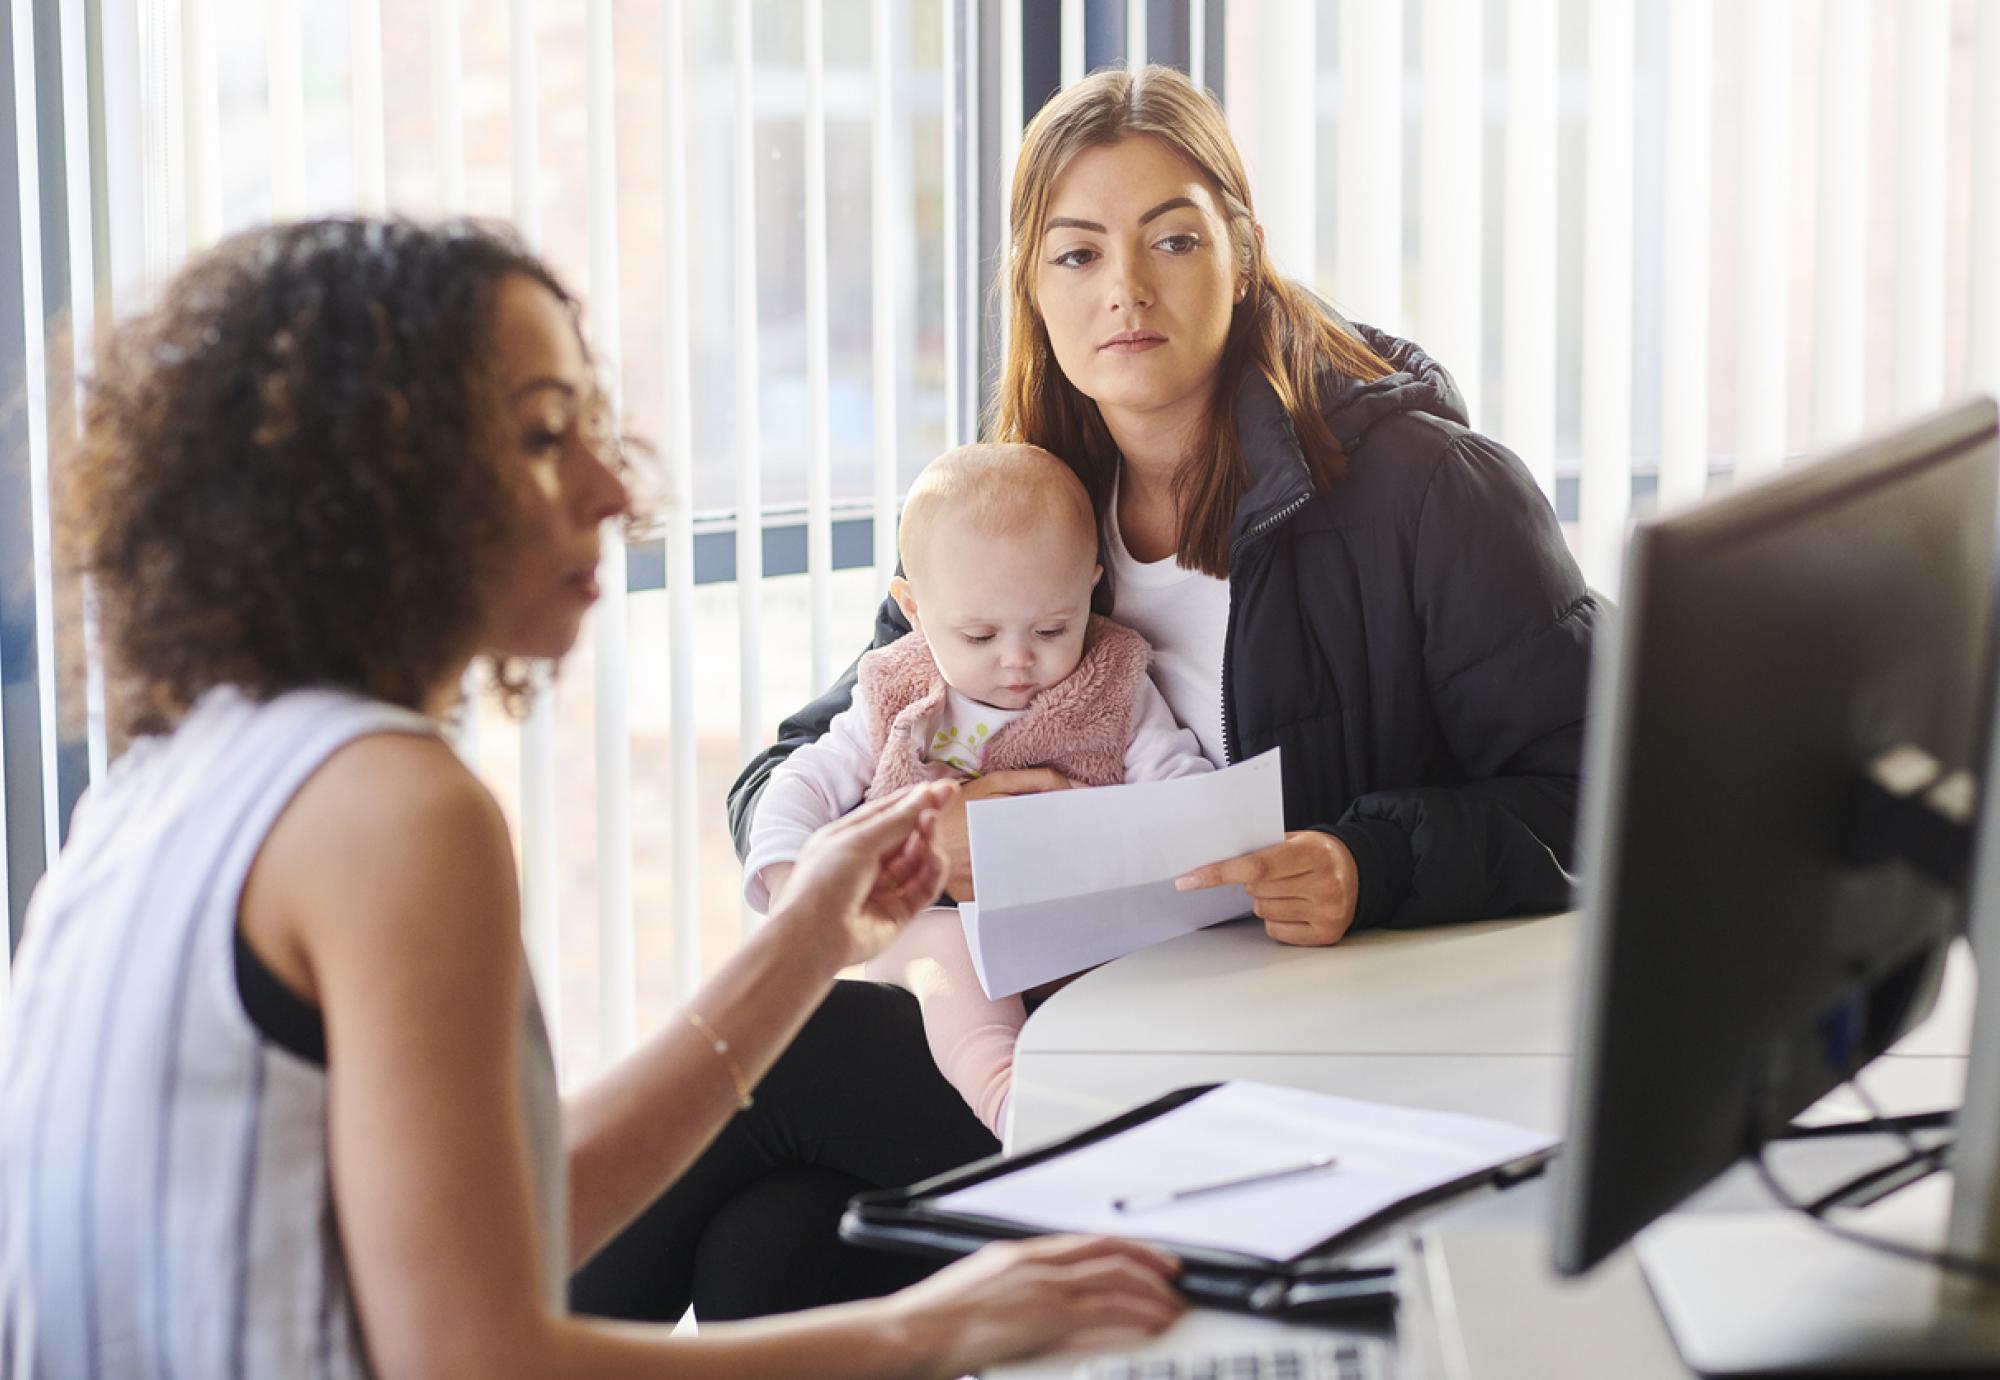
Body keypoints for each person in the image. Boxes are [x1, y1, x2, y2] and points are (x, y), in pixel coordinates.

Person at [0, 218, 1184, 1379]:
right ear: (380, 490)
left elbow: (485, 1221)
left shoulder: (168, 781)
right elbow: (470, 1354)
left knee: (776, 1246)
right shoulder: (391, 813)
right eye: (541, 436)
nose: (615, 486)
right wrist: (932, 1330)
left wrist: (817, 926)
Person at [578, 63, 1597, 1325]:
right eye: (1075, 254)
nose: (1124, 289)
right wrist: (918, 850)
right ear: (1030, 287)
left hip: (1294, 1061)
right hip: (1074, 1032)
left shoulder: (1427, 495)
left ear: (1242, 250)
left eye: (1171, 237)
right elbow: (813, 753)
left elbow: (1604, 794)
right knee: (775, 1251)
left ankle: (460, 1340)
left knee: (780, 1068)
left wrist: (1364, 862)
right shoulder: (1027, 502)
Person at [742, 442, 1211, 1136]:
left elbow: (1181, 791)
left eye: (1052, 628)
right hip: (933, 926)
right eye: (979, 633)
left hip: (1078, 929)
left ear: (1091, 586)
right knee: (950, 959)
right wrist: (791, 884)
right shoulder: (898, 690)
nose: (1018, 660)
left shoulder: (1114, 684)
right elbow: (802, 780)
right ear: (915, 609)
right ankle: (1011, 1102)